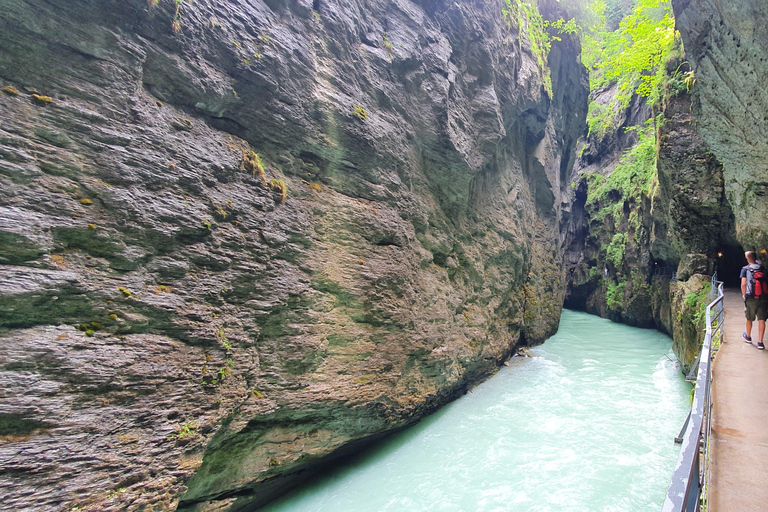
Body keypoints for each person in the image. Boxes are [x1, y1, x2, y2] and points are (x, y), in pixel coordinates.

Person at [741, 250, 768, 349]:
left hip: (751, 297)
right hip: (763, 297)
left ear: (748, 258)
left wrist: (744, 295)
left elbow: (744, 284)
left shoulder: (745, 269)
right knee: (762, 319)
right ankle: (760, 342)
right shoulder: (762, 268)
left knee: (749, 317)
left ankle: (748, 336)